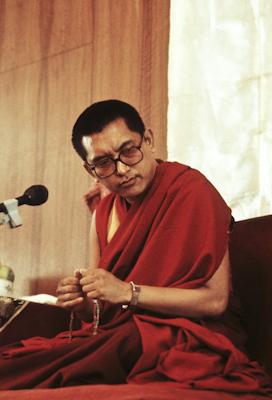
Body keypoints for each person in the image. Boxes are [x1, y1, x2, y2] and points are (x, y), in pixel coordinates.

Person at [0, 99, 271, 395]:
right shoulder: (104, 213)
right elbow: (99, 310)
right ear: (90, 169)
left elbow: (215, 301)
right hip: (126, 334)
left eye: (128, 151)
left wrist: (127, 292)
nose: (121, 169)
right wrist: (82, 301)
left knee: (110, 345)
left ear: (149, 141)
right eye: (103, 162)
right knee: (35, 355)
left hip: (192, 336)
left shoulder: (190, 190)